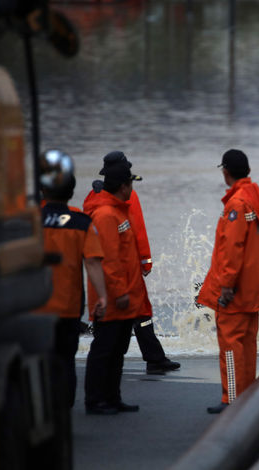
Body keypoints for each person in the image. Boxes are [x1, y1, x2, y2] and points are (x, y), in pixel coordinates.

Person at [86, 151, 180, 375]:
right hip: (126, 268)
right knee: (140, 313)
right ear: (123, 182)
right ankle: (154, 357)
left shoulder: (92, 198)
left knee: (117, 328)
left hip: (106, 275)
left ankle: (152, 357)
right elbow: (137, 230)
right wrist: (145, 261)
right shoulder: (123, 200)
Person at [198, 149, 259, 414]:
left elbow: (232, 248)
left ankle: (231, 397)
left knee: (230, 344)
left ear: (226, 172)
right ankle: (247, 394)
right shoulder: (255, 197)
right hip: (252, 288)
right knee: (247, 343)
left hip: (236, 289)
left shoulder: (237, 204)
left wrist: (226, 285)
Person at [36, 154, 107, 408]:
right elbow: (92, 262)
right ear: (71, 192)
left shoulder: (28, 222)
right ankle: (62, 416)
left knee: (37, 362)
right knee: (65, 361)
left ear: (43, 189)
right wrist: (102, 297)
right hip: (67, 308)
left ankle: (40, 410)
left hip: (34, 307)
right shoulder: (80, 223)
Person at [83, 160, 145, 415]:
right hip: (111, 298)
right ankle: (96, 400)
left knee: (118, 349)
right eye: (131, 183)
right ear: (123, 186)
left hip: (123, 297)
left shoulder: (119, 211)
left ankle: (112, 397)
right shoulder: (107, 215)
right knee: (104, 350)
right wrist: (119, 292)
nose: (132, 189)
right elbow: (108, 259)